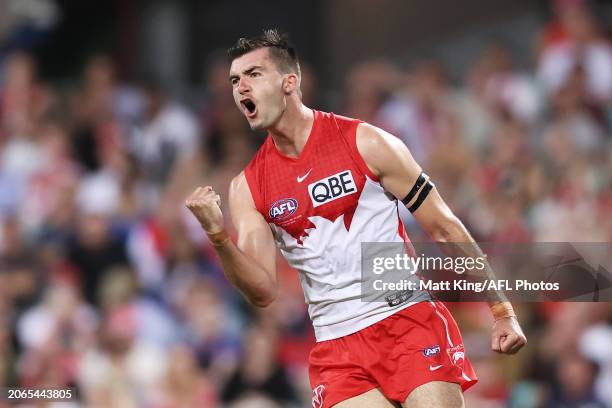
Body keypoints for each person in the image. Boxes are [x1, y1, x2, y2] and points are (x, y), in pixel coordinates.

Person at [185, 29, 527, 408]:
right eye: (235, 80)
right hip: (338, 347)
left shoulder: (366, 142)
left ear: (289, 82)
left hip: (406, 320)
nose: (240, 88)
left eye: (253, 74)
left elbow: (444, 227)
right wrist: (218, 235)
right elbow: (262, 291)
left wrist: (502, 309)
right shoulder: (247, 187)